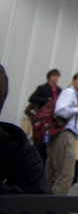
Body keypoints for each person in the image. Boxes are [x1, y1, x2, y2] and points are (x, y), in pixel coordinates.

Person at [1, 63, 53, 195]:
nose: (56, 79)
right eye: (54, 76)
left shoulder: (20, 153)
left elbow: (42, 202)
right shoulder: (43, 91)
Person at [45, 71, 78, 196]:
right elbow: (60, 110)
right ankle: (55, 203)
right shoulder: (69, 92)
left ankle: (45, 201)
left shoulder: (75, 94)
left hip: (63, 135)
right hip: (65, 135)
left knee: (52, 173)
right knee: (65, 174)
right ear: (73, 81)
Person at [24, 69, 61, 164]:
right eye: (54, 76)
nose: (56, 78)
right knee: (40, 143)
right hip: (43, 119)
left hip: (53, 121)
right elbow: (32, 98)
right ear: (49, 77)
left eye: (57, 76)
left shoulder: (59, 90)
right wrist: (47, 100)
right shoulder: (42, 88)